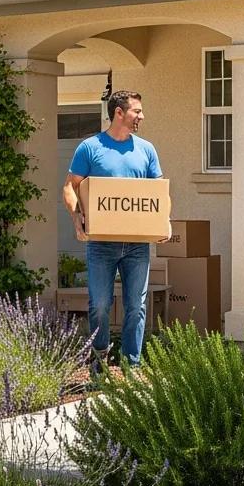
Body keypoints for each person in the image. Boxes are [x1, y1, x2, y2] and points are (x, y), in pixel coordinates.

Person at [62, 89, 168, 371]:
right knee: (99, 305)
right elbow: (70, 186)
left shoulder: (146, 150)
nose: (141, 117)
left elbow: (157, 193)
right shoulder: (90, 147)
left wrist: (164, 221)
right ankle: (98, 362)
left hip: (136, 245)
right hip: (101, 244)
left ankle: (132, 366)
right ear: (119, 113)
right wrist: (77, 220)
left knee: (136, 306)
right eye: (137, 111)